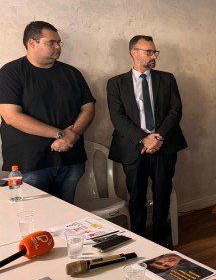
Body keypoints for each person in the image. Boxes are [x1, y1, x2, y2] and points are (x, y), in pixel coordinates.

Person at [0, 21, 95, 203]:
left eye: (59, 42)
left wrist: (72, 135)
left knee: (67, 217)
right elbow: (11, 116)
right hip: (30, 163)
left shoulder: (72, 73)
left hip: (70, 159)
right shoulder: (11, 72)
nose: (58, 47)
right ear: (32, 43)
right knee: (32, 217)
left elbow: (88, 108)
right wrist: (60, 134)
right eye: (51, 42)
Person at [107, 35, 187, 247]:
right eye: (149, 52)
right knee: (137, 196)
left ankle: (161, 240)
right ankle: (140, 240)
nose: (154, 56)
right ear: (134, 52)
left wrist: (157, 137)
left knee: (162, 193)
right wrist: (144, 139)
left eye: (155, 52)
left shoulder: (167, 78)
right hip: (133, 147)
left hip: (165, 145)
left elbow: (175, 110)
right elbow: (118, 117)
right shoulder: (116, 83)